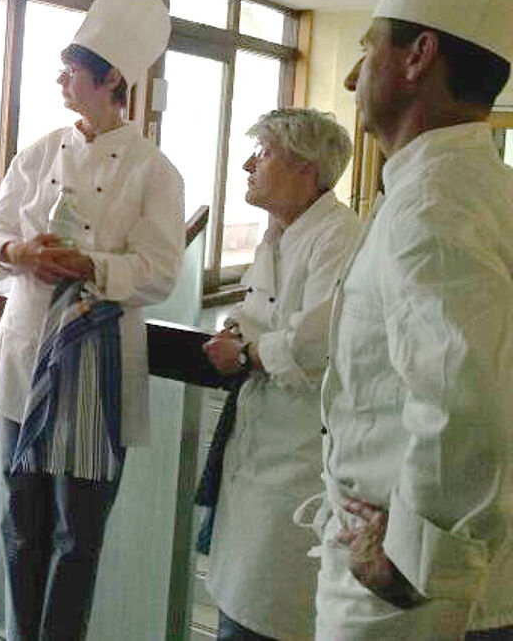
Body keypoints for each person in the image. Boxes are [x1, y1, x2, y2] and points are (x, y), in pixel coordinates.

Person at [318, 0, 513, 640]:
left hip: (408, 603)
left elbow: (470, 406)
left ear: (417, 55)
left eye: (368, 46)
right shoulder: (470, 186)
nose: (350, 74)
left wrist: (409, 564)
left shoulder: (432, 204)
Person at [0, 0, 185, 640]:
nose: (61, 80)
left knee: (78, 533)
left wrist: (88, 264)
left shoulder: (155, 172)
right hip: (26, 359)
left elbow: (159, 272)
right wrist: (18, 251)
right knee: (20, 521)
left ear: (111, 79)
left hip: (98, 367)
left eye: (71, 70)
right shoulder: (39, 152)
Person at [197, 108, 360, 641]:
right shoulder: (276, 234)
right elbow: (255, 315)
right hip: (257, 447)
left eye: (264, 154)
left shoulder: (339, 236)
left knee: (270, 615)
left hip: (300, 459)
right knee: (238, 603)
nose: (249, 165)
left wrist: (246, 354)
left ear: (306, 169)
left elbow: (314, 342)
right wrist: (235, 331)